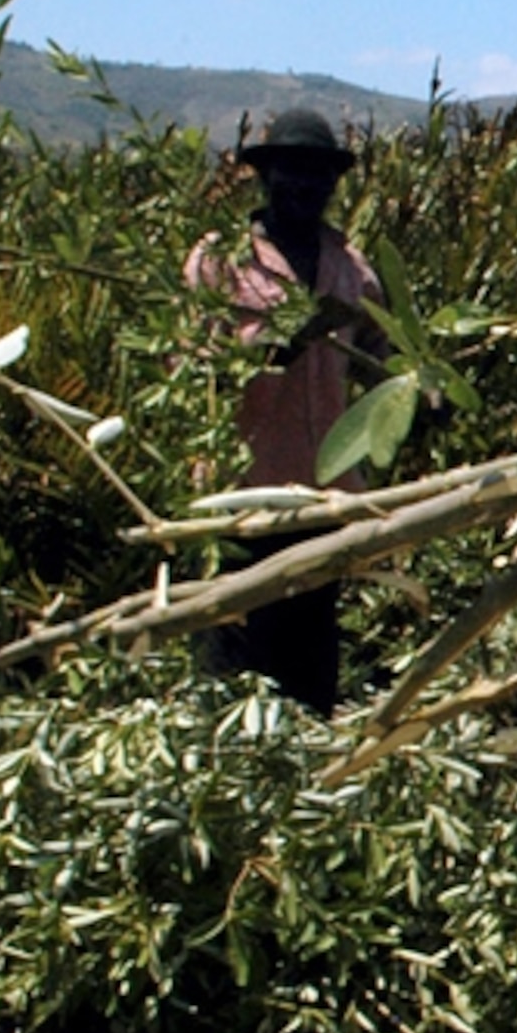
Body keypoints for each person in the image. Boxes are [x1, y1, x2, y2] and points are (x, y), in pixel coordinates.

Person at [183, 108, 386, 714]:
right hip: (238, 499)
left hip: (321, 502)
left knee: (308, 665)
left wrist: (418, 393)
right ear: (265, 178)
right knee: (231, 665)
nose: (304, 186)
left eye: (317, 175)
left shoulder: (351, 271)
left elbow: (379, 364)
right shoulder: (220, 263)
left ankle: (306, 790)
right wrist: (274, 349)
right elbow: (192, 372)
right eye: (291, 172)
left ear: (333, 184)